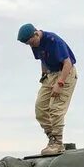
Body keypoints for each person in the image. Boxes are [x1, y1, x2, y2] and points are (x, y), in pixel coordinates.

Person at [18, 23, 78, 156]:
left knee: (55, 109)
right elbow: (42, 59)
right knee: (40, 108)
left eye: (30, 42)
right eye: (27, 44)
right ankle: (52, 138)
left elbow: (67, 63)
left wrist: (60, 83)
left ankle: (57, 143)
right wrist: (44, 75)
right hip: (50, 75)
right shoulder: (35, 44)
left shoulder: (53, 41)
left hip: (65, 73)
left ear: (35, 34)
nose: (30, 45)